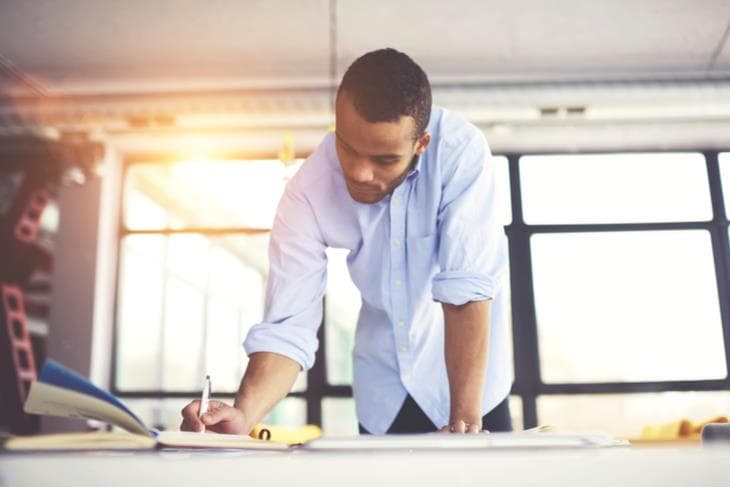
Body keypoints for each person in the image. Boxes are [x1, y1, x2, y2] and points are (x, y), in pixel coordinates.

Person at [180, 48, 511, 435]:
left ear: (421, 143)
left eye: (385, 159)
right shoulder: (307, 191)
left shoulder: (459, 153)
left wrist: (465, 424)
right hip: (383, 394)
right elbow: (289, 325)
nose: (360, 172)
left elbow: (465, 289)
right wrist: (244, 415)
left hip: (471, 393)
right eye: (348, 148)